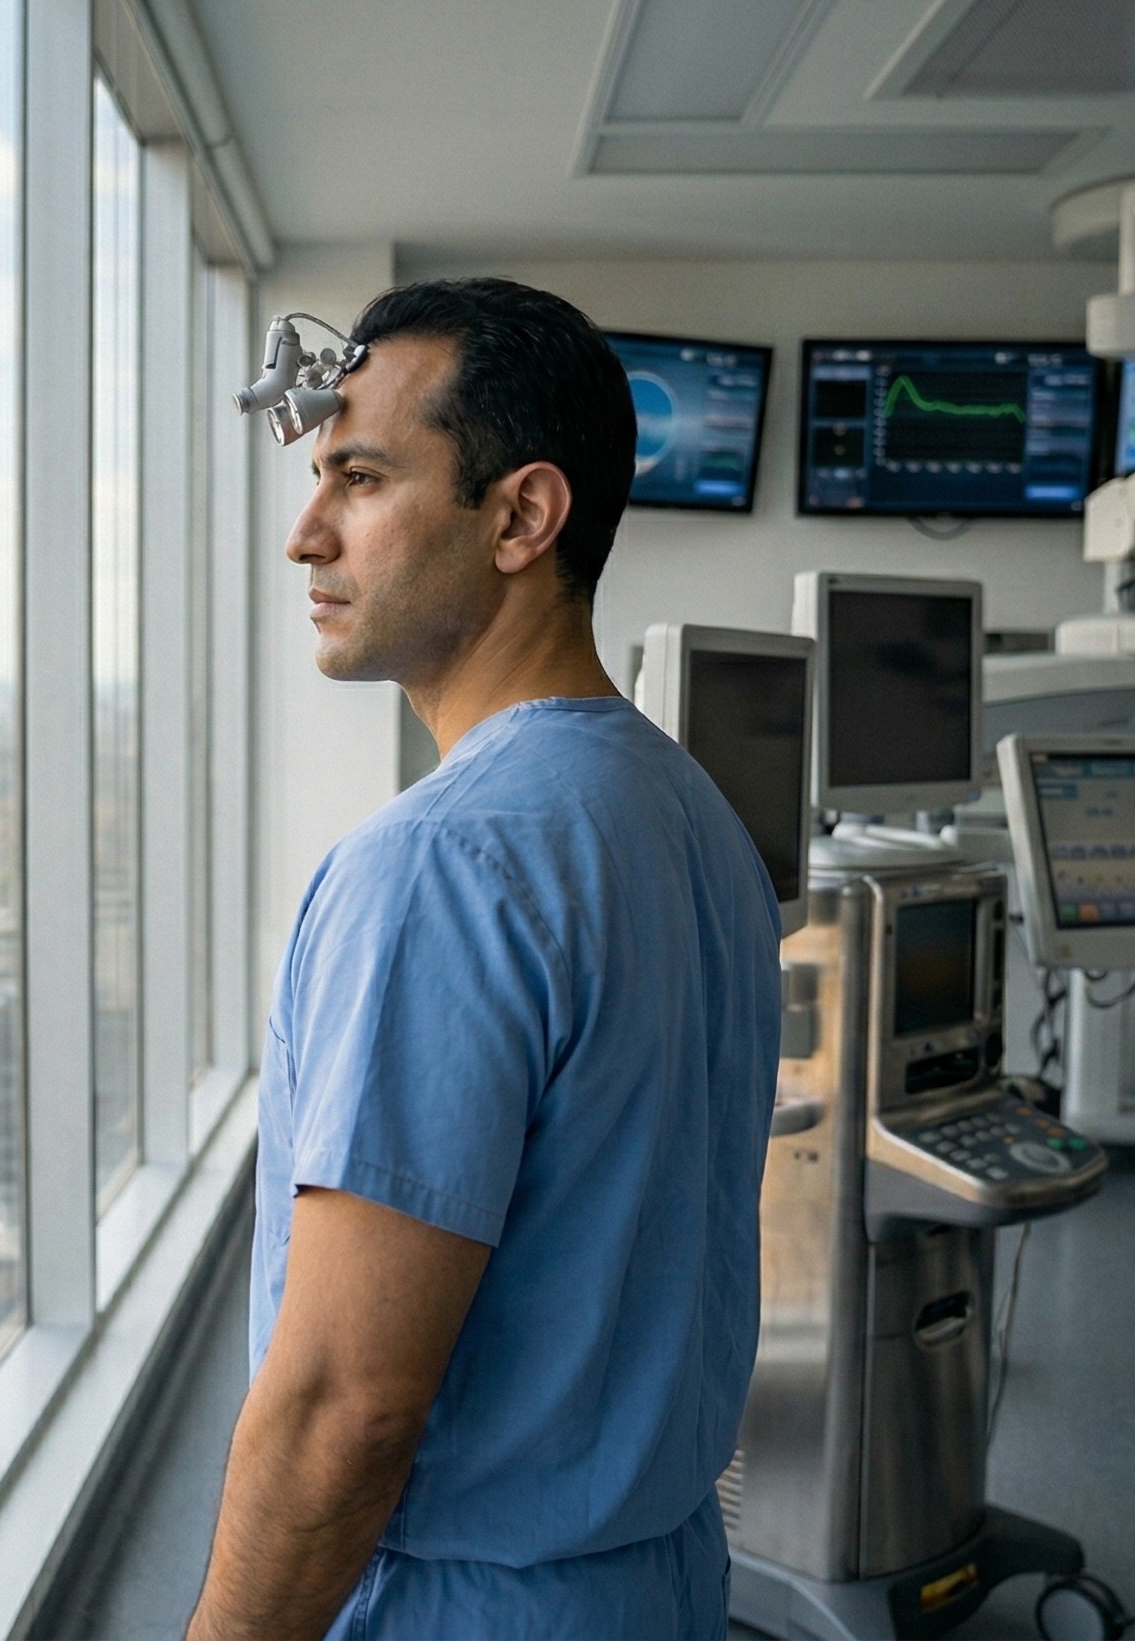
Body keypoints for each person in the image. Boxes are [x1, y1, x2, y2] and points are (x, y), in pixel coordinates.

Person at [184, 278, 781, 1641]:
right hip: (658, 1587)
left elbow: (348, 1407)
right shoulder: (691, 816)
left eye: (362, 475)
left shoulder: (438, 868)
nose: (306, 533)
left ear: (520, 516)